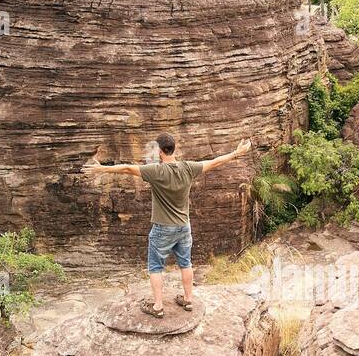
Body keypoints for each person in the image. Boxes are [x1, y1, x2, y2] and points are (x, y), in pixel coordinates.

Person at [83, 132, 253, 317]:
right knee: (185, 263)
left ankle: (158, 307)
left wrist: (102, 169)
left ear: (160, 151)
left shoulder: (156, 171)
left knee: (156, 267)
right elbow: (215, 162)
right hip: (184, 226)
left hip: (163, 228)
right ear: (173, 149)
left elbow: (127, 169)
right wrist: (237, 153)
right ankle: (188, 301)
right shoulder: (188, 168)